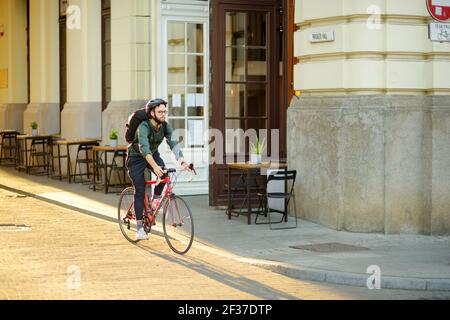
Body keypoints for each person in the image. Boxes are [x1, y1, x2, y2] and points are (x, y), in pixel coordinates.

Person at [126, 98, 191, 241]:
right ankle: (140, 228)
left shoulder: (165, 126)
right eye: (160, 112)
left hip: (153, 154)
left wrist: (182, 161)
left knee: (165, 174)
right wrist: (155, 167)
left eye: (164, 111)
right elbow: (144, 149)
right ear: (152, 113)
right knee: (140, 189)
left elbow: (173, 143)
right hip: (136, 157)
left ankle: (155, 200)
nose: (163, 114)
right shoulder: (143, 126)